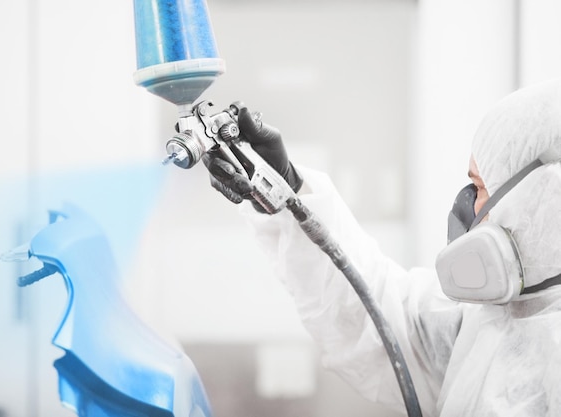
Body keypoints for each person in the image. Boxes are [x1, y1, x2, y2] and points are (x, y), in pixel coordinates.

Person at [203, 78, 561, 417]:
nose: (466, 208)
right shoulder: (493, 319)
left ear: (538, 203)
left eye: (479, 188)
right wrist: (287, 191)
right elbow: (385, 324)